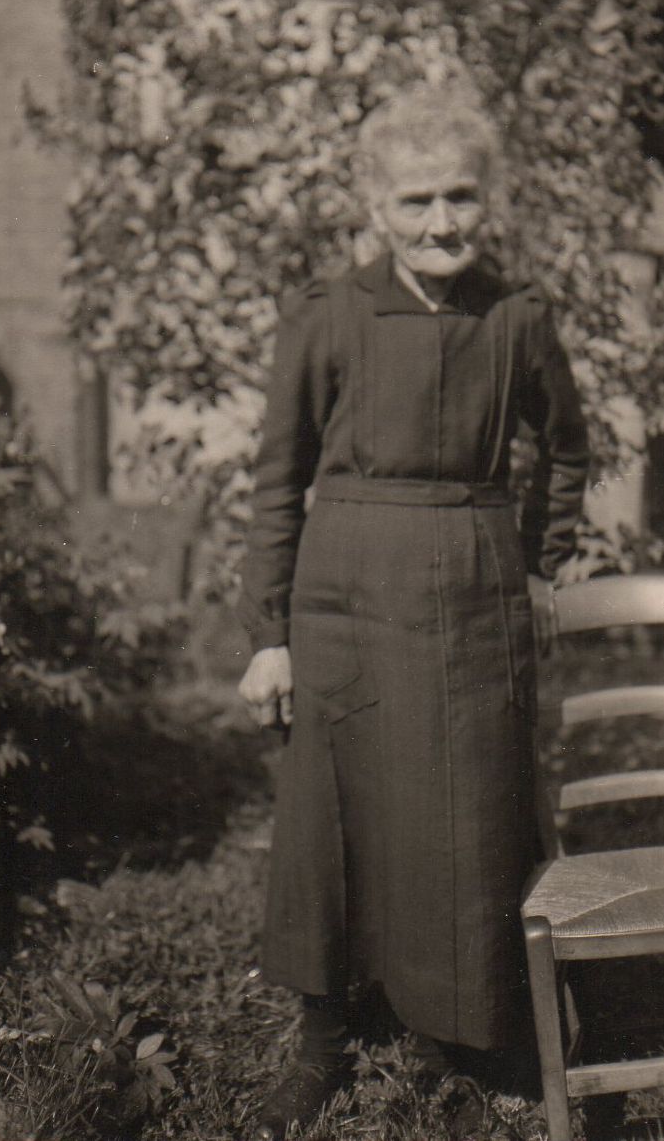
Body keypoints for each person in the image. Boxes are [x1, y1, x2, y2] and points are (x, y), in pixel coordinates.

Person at [238, 70, 589, 1140]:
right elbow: (276, 478)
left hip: (475, 590)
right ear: (373, 206)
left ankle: (461, 1032)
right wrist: (267, 635)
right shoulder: (326, 316)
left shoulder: (518, 318)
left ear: (489, 199)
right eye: (415, 199)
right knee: (332, 812)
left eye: (459, 195)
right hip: (343, 591)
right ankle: (322, 1036)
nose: (440, 222)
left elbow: (566, 449)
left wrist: (540, 564)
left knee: (465, 810)